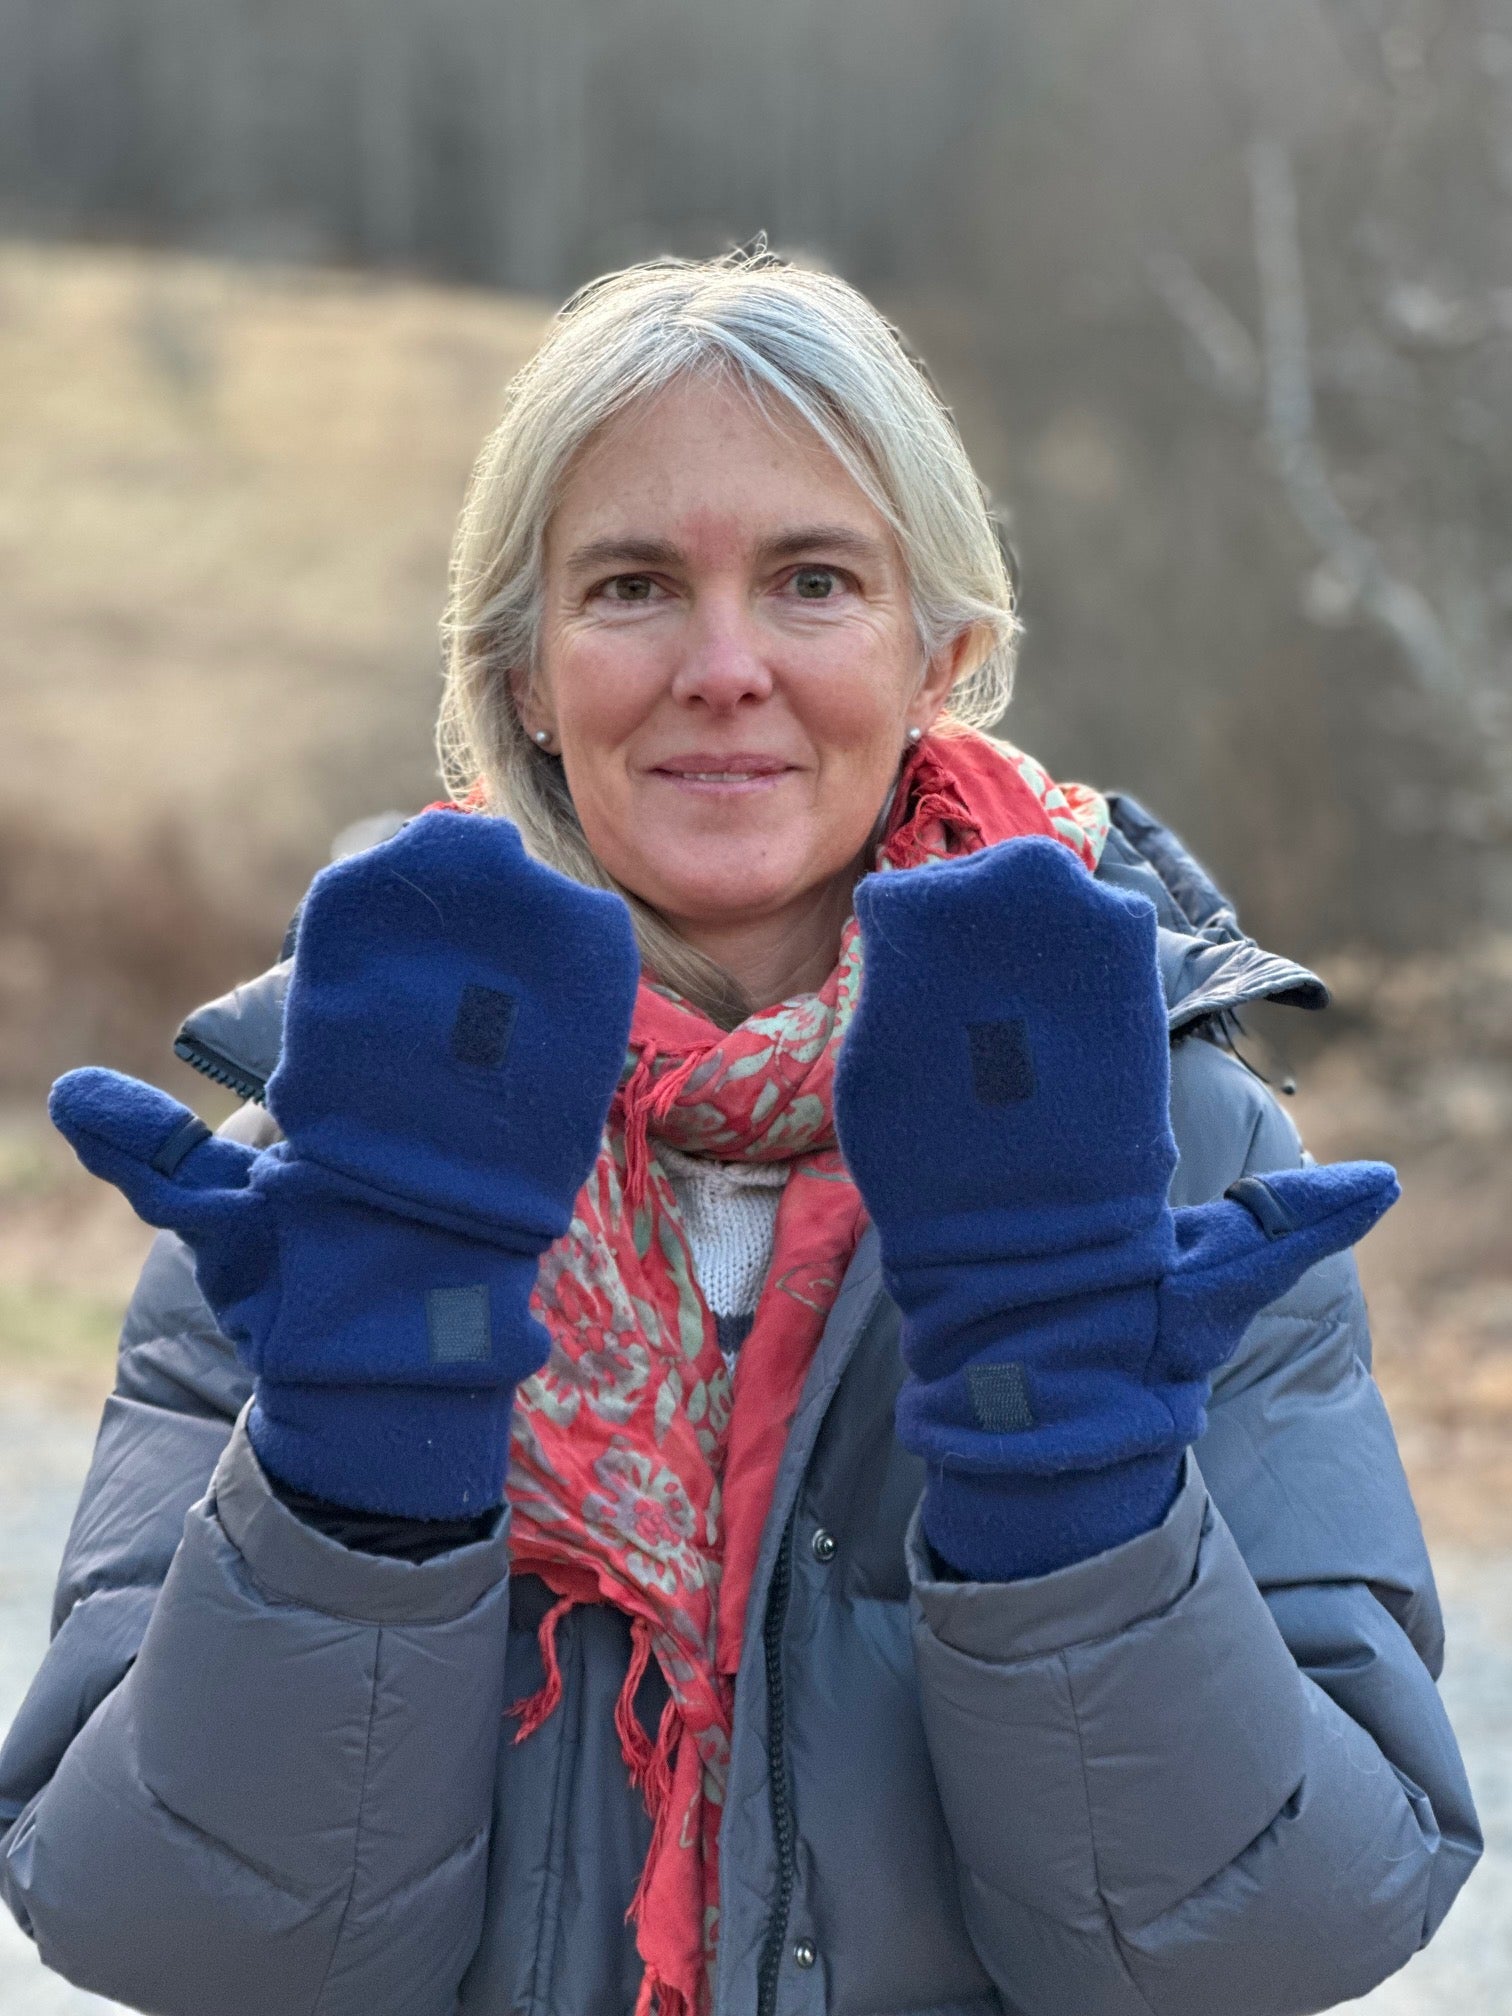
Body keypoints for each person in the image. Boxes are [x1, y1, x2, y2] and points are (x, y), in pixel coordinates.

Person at [0, 247, 1480, 2016]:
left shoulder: (1156, 1141)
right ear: (526, 671)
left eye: (812, 581)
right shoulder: (344, 1155)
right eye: (632, 585)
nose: (723, 666)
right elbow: (174, 1933)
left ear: (942, 654)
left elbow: (1279, 1936)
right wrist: (359, 1477)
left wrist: (1070, 1490)